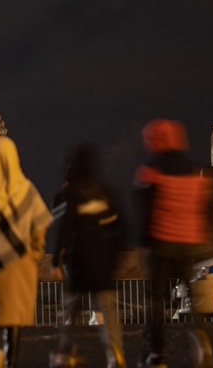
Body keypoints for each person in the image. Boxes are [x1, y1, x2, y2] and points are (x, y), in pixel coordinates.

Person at [133, 119, 213, 368]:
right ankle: (201, 339)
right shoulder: (193, 168)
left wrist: (143, 241)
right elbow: (206, 208)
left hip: (161, 242)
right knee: (190, 292)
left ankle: (157, 353)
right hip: (189, 242)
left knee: (157, 298)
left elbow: (143, 208)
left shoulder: (151, 168)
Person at [0, 136, 53, 368]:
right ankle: (11, 358)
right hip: (20, 261)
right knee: (13, 315)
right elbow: (39, 226)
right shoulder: (26, 190)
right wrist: (34, 252)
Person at [50, 143, 126, 368]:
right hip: (103, 266)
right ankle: (116, 354)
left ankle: (65, 353)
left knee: (71, 314)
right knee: (109, 314)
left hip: (78, 266)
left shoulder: (69, 195)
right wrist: (114, 261)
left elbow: (63, 229)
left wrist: (57, 260)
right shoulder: (106, 193)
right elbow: (120, 230)